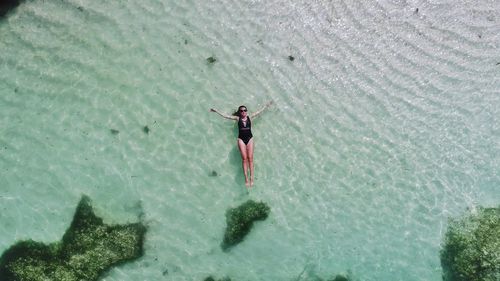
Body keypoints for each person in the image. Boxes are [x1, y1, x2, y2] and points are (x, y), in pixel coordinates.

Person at [210, 101, 273, 187]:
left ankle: (252, 178)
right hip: (241, 140)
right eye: (241, 111)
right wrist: (217, 111)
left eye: (245, 110)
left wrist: (266, 106)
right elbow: (226, 116)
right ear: (239, 112)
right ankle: (246, 178)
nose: (243, 112)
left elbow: (259, 112)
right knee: (244, 159)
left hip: (250, 139)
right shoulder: (237, 119)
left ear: (246, 111)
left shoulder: (250, 117)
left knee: (250, 158)